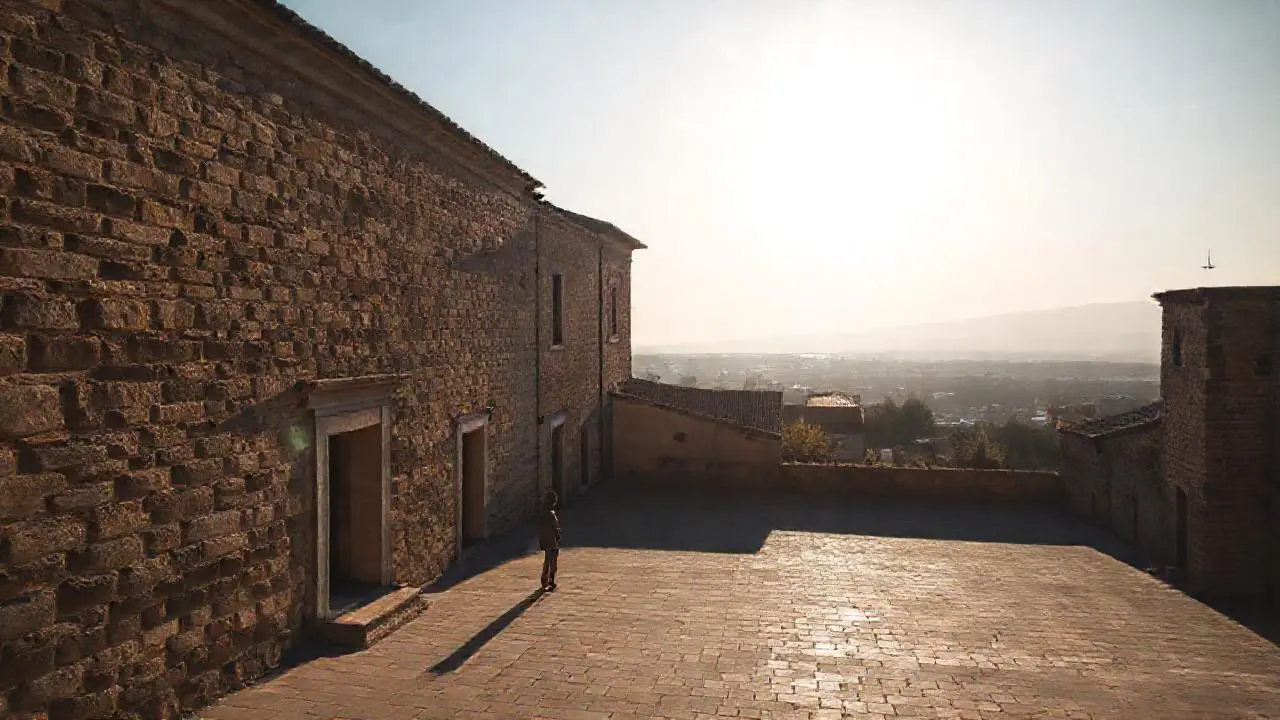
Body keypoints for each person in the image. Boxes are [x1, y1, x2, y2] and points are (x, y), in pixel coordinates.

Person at [538, 491, 561, 591]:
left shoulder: (542, 512)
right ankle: (550, 580)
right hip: (551, 540)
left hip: (544, 538)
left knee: (547, 560)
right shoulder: (551, 514)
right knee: (553, 561)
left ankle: (544, 580)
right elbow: (556, 528)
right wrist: (558, 535)